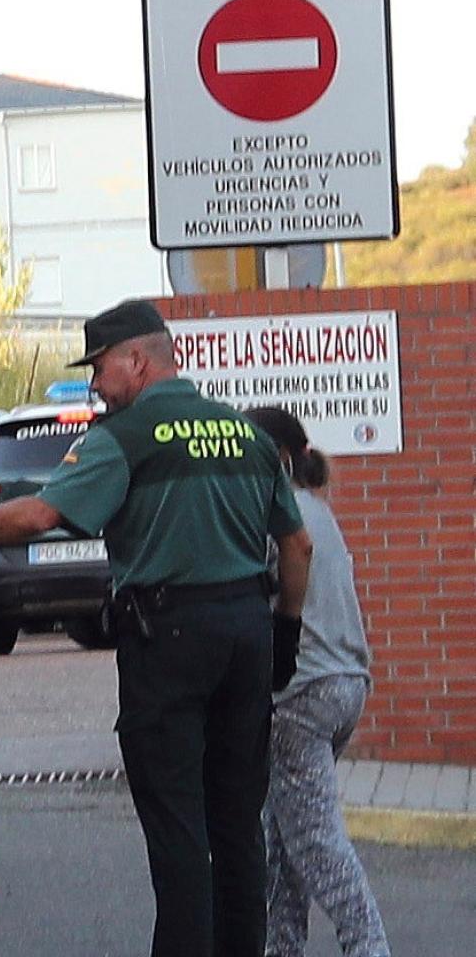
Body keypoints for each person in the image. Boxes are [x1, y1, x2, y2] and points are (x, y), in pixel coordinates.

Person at [0, 300, 314, 957]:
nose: (96, 383)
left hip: (169, 636)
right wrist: (286, 638)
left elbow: (39, 516)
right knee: (239, 827)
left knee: (179, 830)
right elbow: (298, 547)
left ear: (136, 360)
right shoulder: (247, 435)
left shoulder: (126, 435)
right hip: (248, 630)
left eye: (99, 368)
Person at [243, 407, 390, 957]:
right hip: (346, 684)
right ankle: (281, 947)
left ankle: (368, 945)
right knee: (282, 837)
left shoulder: (280, 517)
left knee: (314, 841)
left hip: (299, 694)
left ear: (276, 459)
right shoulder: (319, 510)